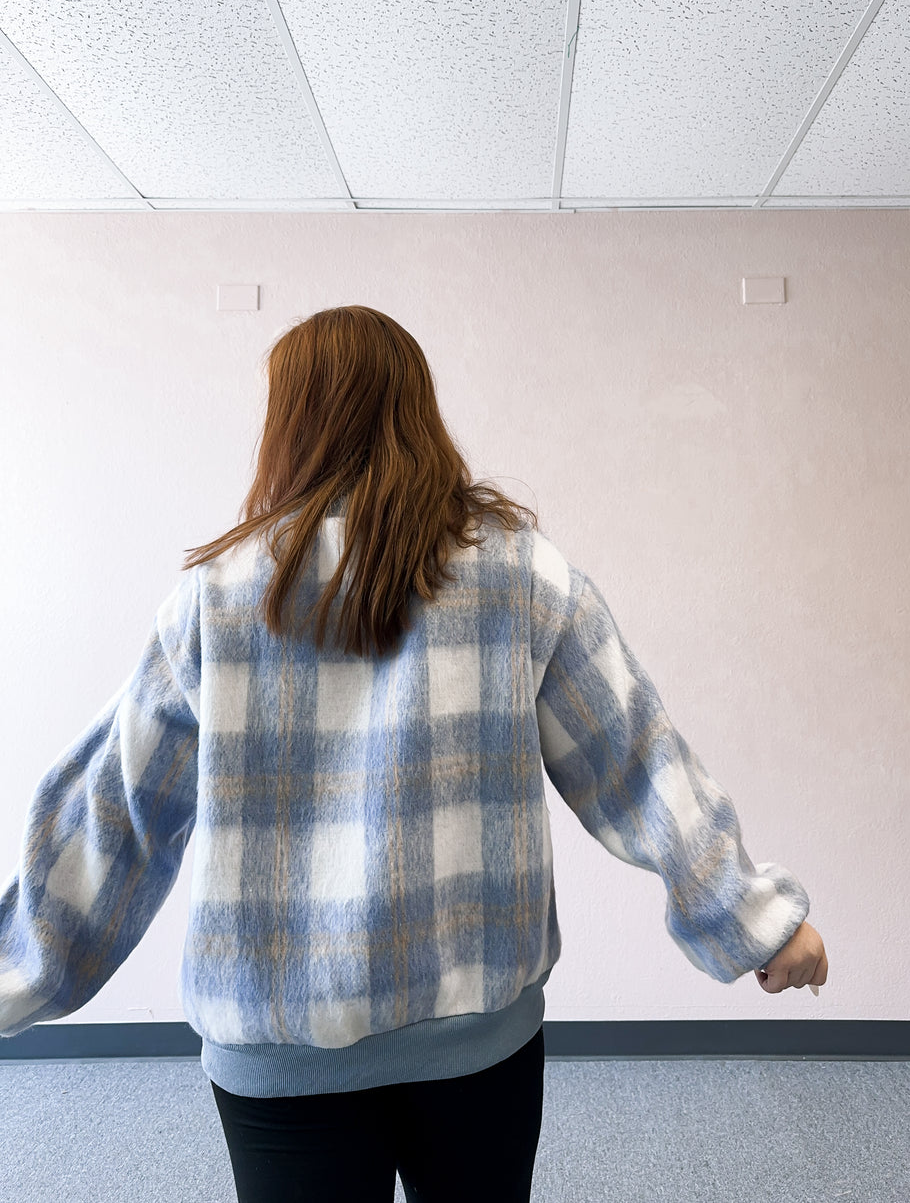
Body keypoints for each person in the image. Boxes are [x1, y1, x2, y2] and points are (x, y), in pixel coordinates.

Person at [0, 305, 828, 1202]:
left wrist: (17, 973)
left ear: (290, 424)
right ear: (417, 412)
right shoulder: (520, 572)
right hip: (478, 1038)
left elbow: (116, 815)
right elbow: (634, 760)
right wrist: (754, 920)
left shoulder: (221, 595)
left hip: (279, 1047)